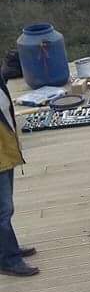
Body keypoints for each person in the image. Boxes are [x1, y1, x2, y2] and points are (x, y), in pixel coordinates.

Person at [0, 79, 38, 277]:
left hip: (6, 151)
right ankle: (9, 259)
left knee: (6, 208)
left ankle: (7, 248)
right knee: (3, 211)